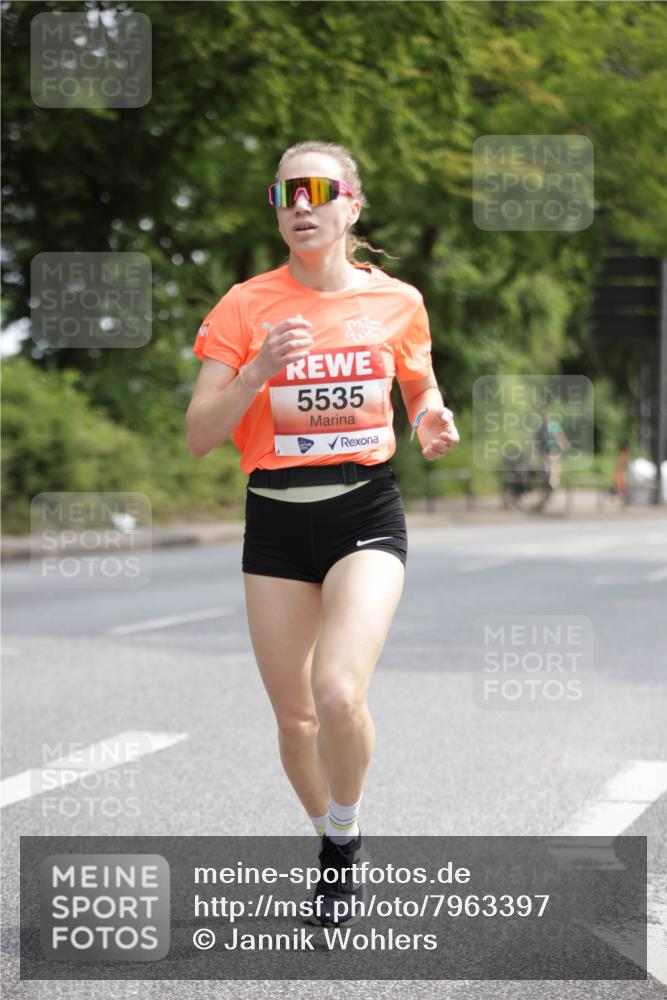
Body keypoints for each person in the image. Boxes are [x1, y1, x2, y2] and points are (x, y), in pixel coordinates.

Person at [185, 140, 459, 926]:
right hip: (274, 518)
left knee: (336, 691)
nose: (300, 205)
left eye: (316, 190)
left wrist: (433, 414)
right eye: (284, 194)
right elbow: (200, 436)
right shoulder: (244, 306)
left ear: (351, 205)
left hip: (363, 511)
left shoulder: (397, 301)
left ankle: (346, 823)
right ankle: (333, 838)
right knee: (295, 718)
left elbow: (420, 383)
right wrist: (253, 371)